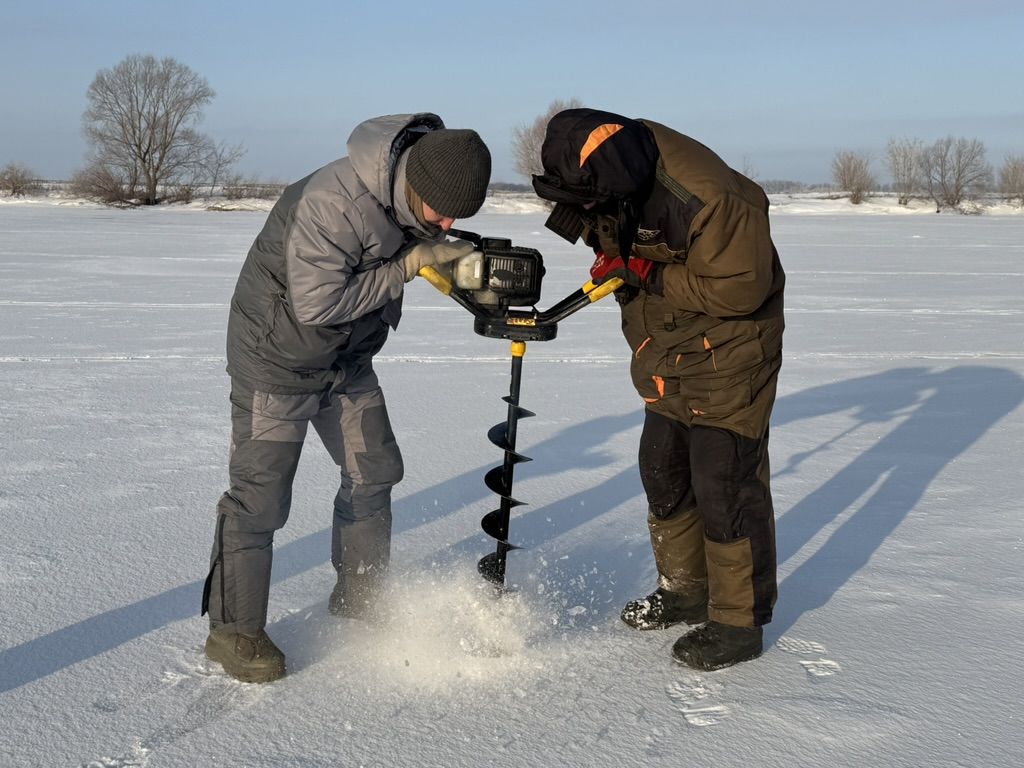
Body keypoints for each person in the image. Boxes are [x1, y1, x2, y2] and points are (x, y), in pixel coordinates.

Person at [200, 113, 491, 683]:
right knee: (259, 500)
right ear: (413, 185)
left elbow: (406, 255)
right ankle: (233, 632)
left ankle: (360, 595)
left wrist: (459, 268)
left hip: (346, 360)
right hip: (278, 360)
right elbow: (317, 304)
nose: (448, 221)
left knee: (374, 469)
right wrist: (411, 263)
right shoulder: (332, 202)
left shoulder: (407, 198)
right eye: (441, 211)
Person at [532, 108, 785, 670]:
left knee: (723, 478)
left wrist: (646, 273)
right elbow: (602, 226)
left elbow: (744, 289)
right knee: (663, 465)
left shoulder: (710, 197)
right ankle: (685, 591)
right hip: (662, 345)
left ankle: (738, 622)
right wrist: (610, 254)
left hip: (732, 346)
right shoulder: (608, 174)